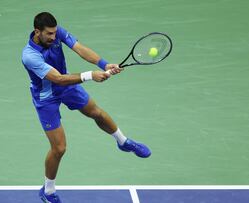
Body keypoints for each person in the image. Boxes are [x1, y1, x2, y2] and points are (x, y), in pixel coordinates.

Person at [21, 12, 151, 203]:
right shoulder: (29, 55)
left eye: (55, 33)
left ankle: (123, 142)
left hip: (68, 87)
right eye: (49, 34)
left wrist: (105, 64)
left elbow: (80, 49)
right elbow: (56, 78)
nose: (53, 37)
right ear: (37, 32)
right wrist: (91, 75)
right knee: (59, 148)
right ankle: (48, 191)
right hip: (46, 97)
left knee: (96, 112)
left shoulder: (57, 34)